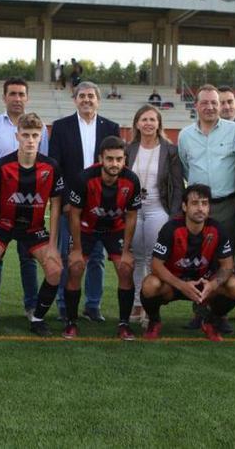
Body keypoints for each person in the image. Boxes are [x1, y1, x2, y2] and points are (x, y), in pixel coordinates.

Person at [0, 113, 66, 337]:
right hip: (5, 224)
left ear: (40, 137)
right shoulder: (2, 166)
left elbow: (56, 205)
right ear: (17, 136)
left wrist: (53, 244)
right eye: (25, 135)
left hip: (34, 228)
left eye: (35, 135)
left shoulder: (51, 167)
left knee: (55, 269)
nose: (30, 140)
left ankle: (37, 318)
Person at [0, 78, 51, 318]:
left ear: (27, 98)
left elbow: (44, 161)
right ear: (4, 97)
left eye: (21, 94)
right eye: (12, 94)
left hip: (29, 202)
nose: (17, 98)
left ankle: (31, 305)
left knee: (28, 256)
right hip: (0, 201)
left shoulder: (40, 127)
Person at [50, 81, 121, 321]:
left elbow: (116, 167)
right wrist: (69, 200)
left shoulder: (111, 127)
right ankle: (63, 305)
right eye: (82, 96)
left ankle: (93, 305)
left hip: (101, 206)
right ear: (75, 100)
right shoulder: (61, 127)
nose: (87, 100)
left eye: (91, 96)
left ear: (98, 100)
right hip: (70, 204)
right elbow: (56, 166)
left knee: (97, 257)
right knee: (67, 254)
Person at [176, 84, 235, 333]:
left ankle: (218, 314)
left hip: (226, 204)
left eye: (215, 102)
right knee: (200, 261)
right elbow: (185, 168)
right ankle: (199, 312)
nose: (211, 106)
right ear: (196, 106)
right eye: (205, 102)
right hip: (197, 208)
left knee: (224, 261)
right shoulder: (185, 136)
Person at [140, 184, 235, 342]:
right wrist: (182, 285)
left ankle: (210, 322)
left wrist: (213, 285)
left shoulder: (217, 230)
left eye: (204, 203)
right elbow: (156, 265)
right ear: (184, 206)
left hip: (204, 286)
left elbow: (227, 266)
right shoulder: (170, 229)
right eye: (195, 203)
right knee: (149, 285)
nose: (200, 208)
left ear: (209, 207)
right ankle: (154, 321)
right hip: (174, 285)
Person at [64, 136, 142, 340]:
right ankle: (71, 322)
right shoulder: (85, 178)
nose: (114, 164)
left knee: (126, 268)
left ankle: (124, 324)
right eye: (109, 159)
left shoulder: (131, 180)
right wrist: (77, 250)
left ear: (124, 159)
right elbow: (73, 213)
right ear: (101, 158)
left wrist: (126, 251)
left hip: (115, 229)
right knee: (75, 266)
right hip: (86, 228)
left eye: (119, 159)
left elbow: (132, 216)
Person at [125, 105, 184, 325]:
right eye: (144, 119)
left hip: (158, 208)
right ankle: (137, 304)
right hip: (133, 210)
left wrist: (174, 215)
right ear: (137, 123)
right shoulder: (129, 149)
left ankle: (150, 306)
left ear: (159, 123)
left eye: (152, 119)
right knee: (136, 258)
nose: (148, 123)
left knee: (153, 259)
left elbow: (178, 187)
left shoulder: (170, 151)